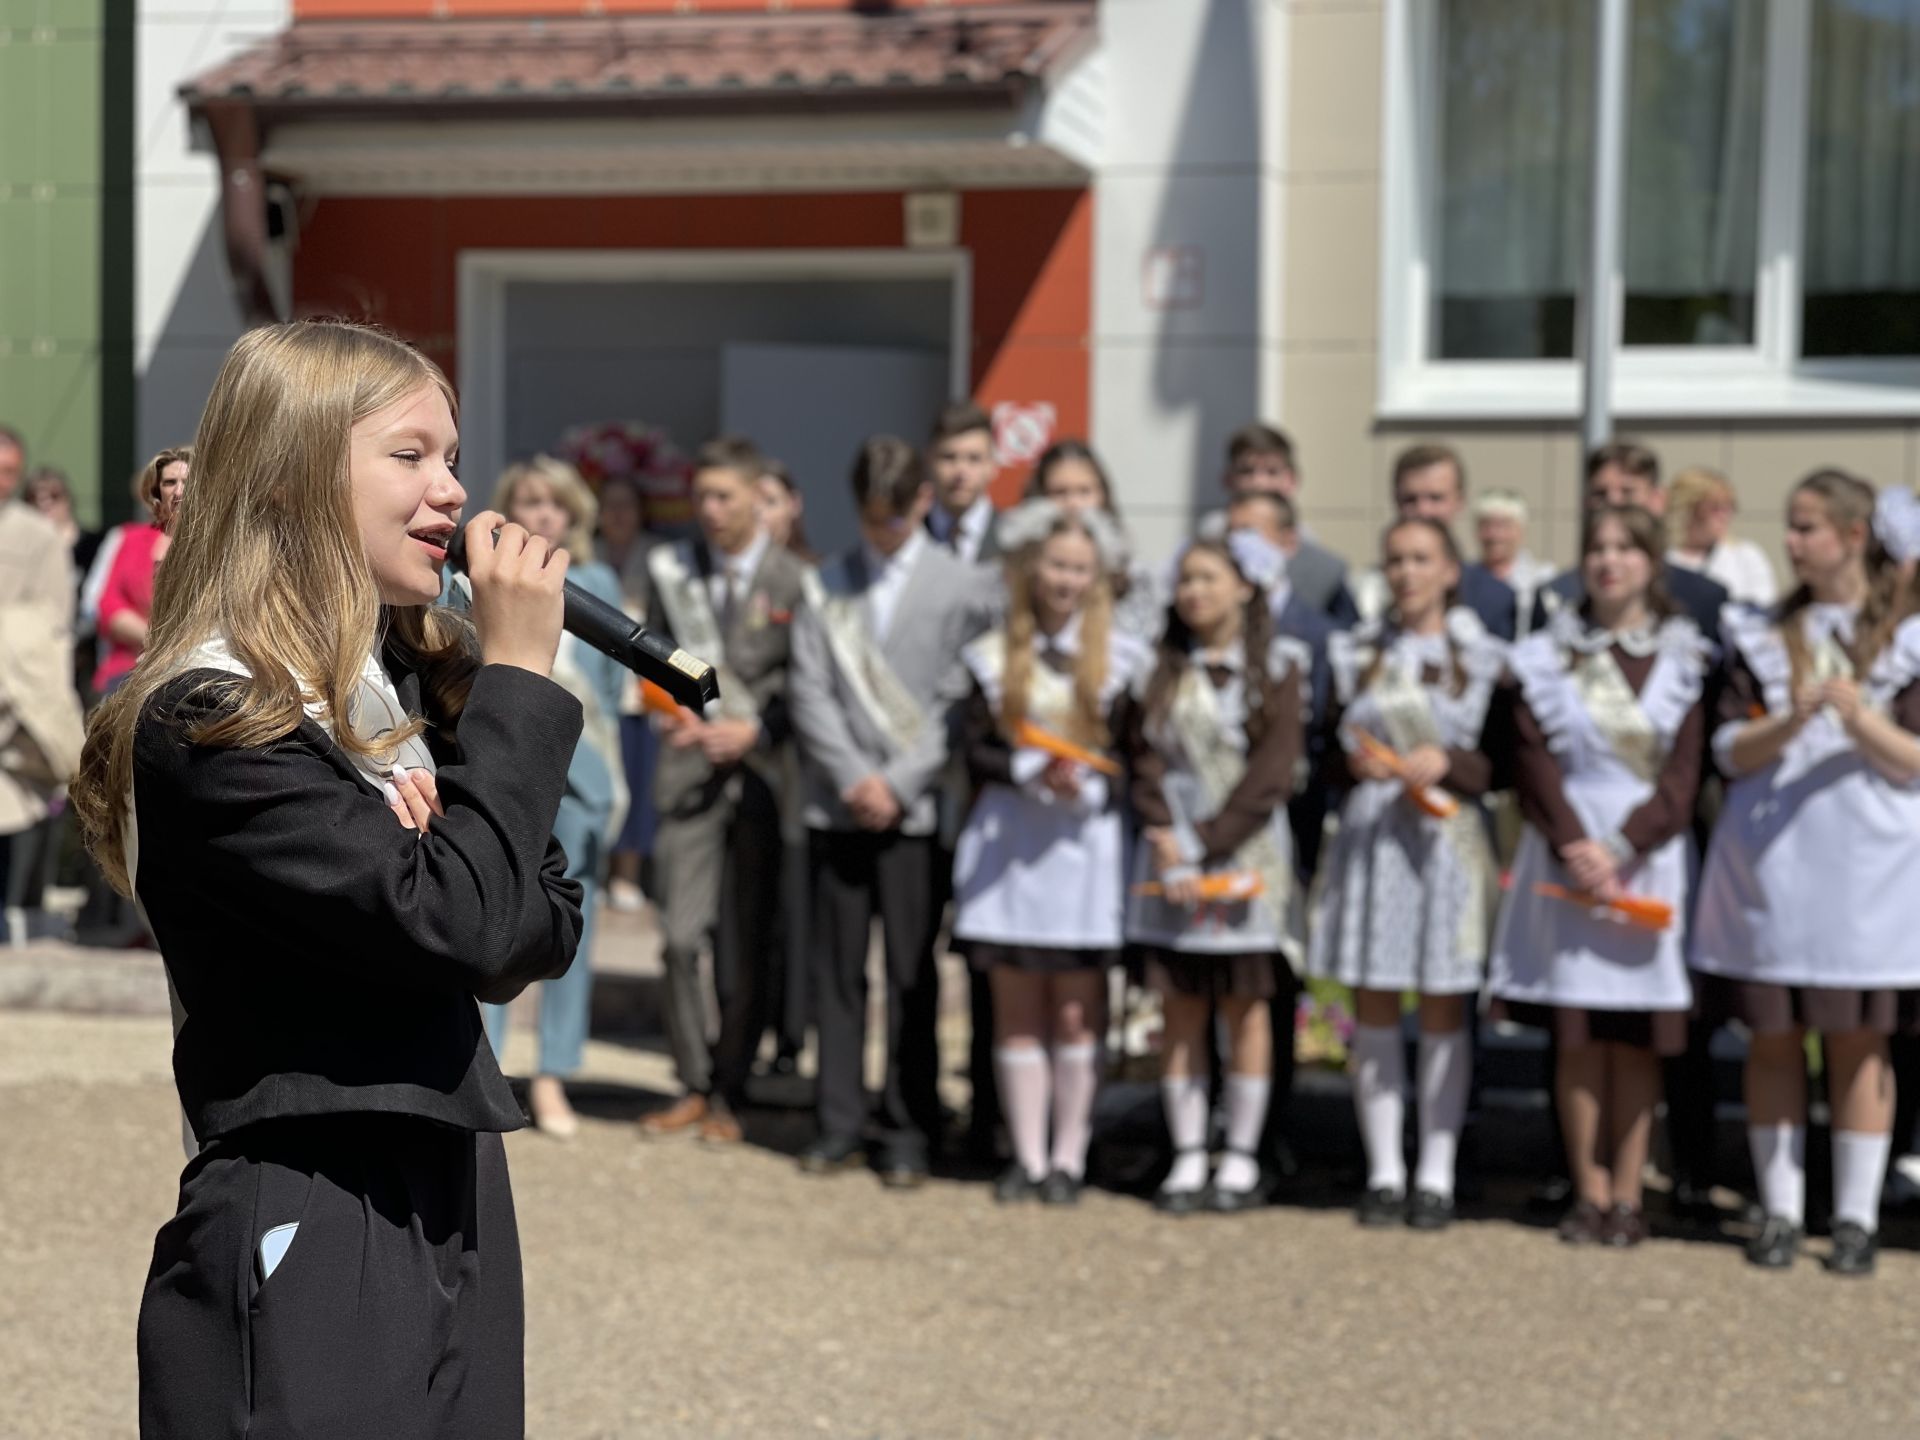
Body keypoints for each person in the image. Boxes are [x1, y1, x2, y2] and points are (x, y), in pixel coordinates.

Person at [70, 318, 583, 1436]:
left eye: (452, 456)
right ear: (296, 468)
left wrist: (466, 810)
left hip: (449, 1180)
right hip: (313, 1190)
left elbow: (541, 916)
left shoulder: (392, 686)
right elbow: (476, 925)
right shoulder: (212, 711)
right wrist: (519, 681)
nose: (452, 492)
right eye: (410, 456)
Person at [1691, 469, 1920, 1277]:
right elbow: (1726, 750)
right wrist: (1790, 720)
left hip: (1870, 868)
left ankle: (1853, 1217)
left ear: (1853, 537)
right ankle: (1781, 1208)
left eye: (1806, 528)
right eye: (1789, 528)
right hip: (1775, 865)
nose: (1791, 543)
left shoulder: (1907, 637)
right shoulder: (1759, 632)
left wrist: (1860, 720)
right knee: (1775, 1037)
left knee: (1860, 1042)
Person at [1486, 507, 1710, 1247]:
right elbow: (1531, 759)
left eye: (1626, 549)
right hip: (1566, 851)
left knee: (1636, 1033)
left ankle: (1628, 1190)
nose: (1609, 561)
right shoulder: (1544, 657)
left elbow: (1684, 776)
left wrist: (1623, 844)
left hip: (1645, 855)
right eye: (1597, 548)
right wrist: (1577, 845)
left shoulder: (1686, 658)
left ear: (1653, 562)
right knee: (1580, 1031)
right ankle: (1586, 1190)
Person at [788, 435, 992, 1186]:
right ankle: (838, 1119)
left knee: (913, 973)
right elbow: (808, 690)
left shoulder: (967, 586)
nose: (883, 531)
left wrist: (900, 783)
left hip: (916, 810)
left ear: (924, 504)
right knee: (838, 973)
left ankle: (909, 1124)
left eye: (897, 518)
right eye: (872, 518)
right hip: (838, 806)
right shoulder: (827, 583)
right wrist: (852, 777)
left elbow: (957, 699)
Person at [1306, 518, 1504, 1229]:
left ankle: (1437, 1173)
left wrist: (1450, 763)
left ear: (1451, 569)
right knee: (1376, 1001)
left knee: (1445, 1004)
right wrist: (1353, 766)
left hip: (1446, 839)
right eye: (1395, 560)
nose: (1406, 572)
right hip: (1375, 834)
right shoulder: (1357, 648)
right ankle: (1385, 1170)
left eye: (1422, 559)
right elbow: (1323, 750)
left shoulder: (1482, 655)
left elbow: (1501, 764)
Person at [952, 499, 1150, 1204]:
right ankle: (1027, 1157)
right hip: (1012, 841)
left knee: (1076, 1007)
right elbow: (970, 747)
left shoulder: (1124, 660)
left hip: (1085, 844)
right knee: (1017, 1005)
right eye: (1056, 566)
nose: (1065, 580)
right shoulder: (994, 652)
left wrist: (1090, 779)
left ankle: (1070, 1155)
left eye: (1079, 569)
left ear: (1097, 577)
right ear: (1033, 570)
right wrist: (1029, 770)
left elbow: (1140, 753)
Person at [1125, 536, 1306, 1214]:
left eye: (1207, 578)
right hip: (1172, 846)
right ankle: (1188, 1151)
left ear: (1245, 587)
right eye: (1185, 579)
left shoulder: (1281, 665)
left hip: (1245, 851)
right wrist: (1166, 832)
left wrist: (1208, 840)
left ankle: (1240, 1154)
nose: (1192, 591)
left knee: (1246, 1005)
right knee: (1182, 1005)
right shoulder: (1156, 668)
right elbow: (1140, 757)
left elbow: (1274, 770)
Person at [640, 437, 809, 1144]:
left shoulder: (796, 580)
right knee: (680, 940)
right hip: (688, 775)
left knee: (745, 946)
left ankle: (729, 1091)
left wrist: (756, 733)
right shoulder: (672, 572)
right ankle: (691, 1079)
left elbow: (808, 684)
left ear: (755, 499)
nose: (710, 511)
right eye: (702, 497)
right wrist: (674, 710)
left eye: (724, 497)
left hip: (764, 780)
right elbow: (644, 657)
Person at [455, 457, 626, 1141]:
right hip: (506, 771)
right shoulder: (475, 583)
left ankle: (554, 1074)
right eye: (528, 501)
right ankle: (486, 1068)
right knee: (489, 911)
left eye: (554, 504)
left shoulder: (598, 583)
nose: (542, 514)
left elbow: (611, 697)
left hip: (582, 778)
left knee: (572, 932)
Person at [0, 442, 82, 946]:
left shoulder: (36, 536)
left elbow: (54, 619)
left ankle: (12, 910)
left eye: (9, 470)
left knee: (17, 808)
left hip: (15, 693)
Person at [1534, 442, 1729, 641]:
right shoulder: (1556, 595)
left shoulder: (1704, 597)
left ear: (1658, 500)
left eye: (1627, 492)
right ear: (1586, 503)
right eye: (1600, 494)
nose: (1613, 503)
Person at [1352, 445, 1518, 641]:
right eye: (1410, 499)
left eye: (1436, 498)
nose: (1423, 511)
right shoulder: (1366, 592)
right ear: (1395, 500)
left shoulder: (1495, 597)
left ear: (1459, 500)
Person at [1220, 422, 1359, 627]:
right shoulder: (1204, 551)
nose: (1260, 482)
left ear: (1292, 480)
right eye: (1247, 471)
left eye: (1272, 471)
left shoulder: (1325, 569)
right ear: (1228, 479)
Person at [595, 472, 658, 915]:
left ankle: (628, 875)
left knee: (637, 779)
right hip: (595, 687)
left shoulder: (658, 558)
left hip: (639, 691)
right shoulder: (586, 554)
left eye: (627, 505)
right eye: (610, 505)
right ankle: (594, 869)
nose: (618, 515)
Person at [1024, 439, 1162, 641]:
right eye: (1059, 492)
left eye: (1084, 491)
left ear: (1102, 496)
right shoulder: (1019, 567)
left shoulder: (1133, 574)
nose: (1073, 504)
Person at [90, 446, 190, 699]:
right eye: (169, 482)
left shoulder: (216, 544)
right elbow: (107, 604)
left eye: (187, 482)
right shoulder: (129, 539)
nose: (178, 491)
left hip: (191, 670)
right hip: (127, 669)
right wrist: (154, 641)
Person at [1667, 466, 1778, 608]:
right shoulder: (1663, 557)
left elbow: (1763, 606)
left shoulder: (1745, 555)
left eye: (1729, 507)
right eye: (1715, 508)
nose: (1725, 516)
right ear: (1687, 509)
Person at [1471, 489, 1557, 637]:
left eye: (1503, 525)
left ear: (1520, 530)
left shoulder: (1541, 579)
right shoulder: (1464, 579)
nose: (1494, 534)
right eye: (1486, 525)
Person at [924, 402, 1001, 565]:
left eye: (974, 459)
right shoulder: (909, 537)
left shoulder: (1014, 541)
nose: (961, 472)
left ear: (993, 465)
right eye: (949, 457)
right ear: (930, 461)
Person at [758, 458, 816, 563]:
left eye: (770, 502)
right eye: (752, 504)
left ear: (794, 504)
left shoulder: (812, 573)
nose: (761, 514)